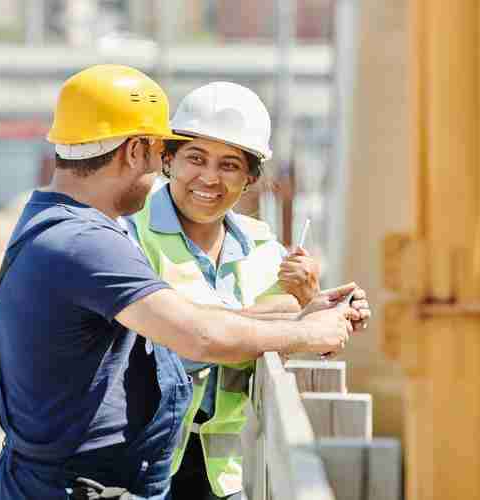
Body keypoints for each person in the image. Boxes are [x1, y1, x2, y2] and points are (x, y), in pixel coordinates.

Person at [0, 65, 368, 500]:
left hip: (87, 483)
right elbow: (197, 335)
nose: (160, 170)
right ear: (135, 151)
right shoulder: (86, 242)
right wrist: (305, 332)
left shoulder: (66, 228)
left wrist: (302, 311)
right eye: (160, 153)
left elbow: (189, 323)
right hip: (74, 487)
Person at [122, 82, 353, 500]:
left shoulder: (262, 245)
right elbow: (183, 336)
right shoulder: (131, 236)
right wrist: (289, 318)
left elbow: (281, 329)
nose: (210, 178)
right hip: (140, 464)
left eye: (229, 165)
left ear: (249, 178)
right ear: (169, 160)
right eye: (196, 158)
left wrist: (314, 302)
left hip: (224, 473)